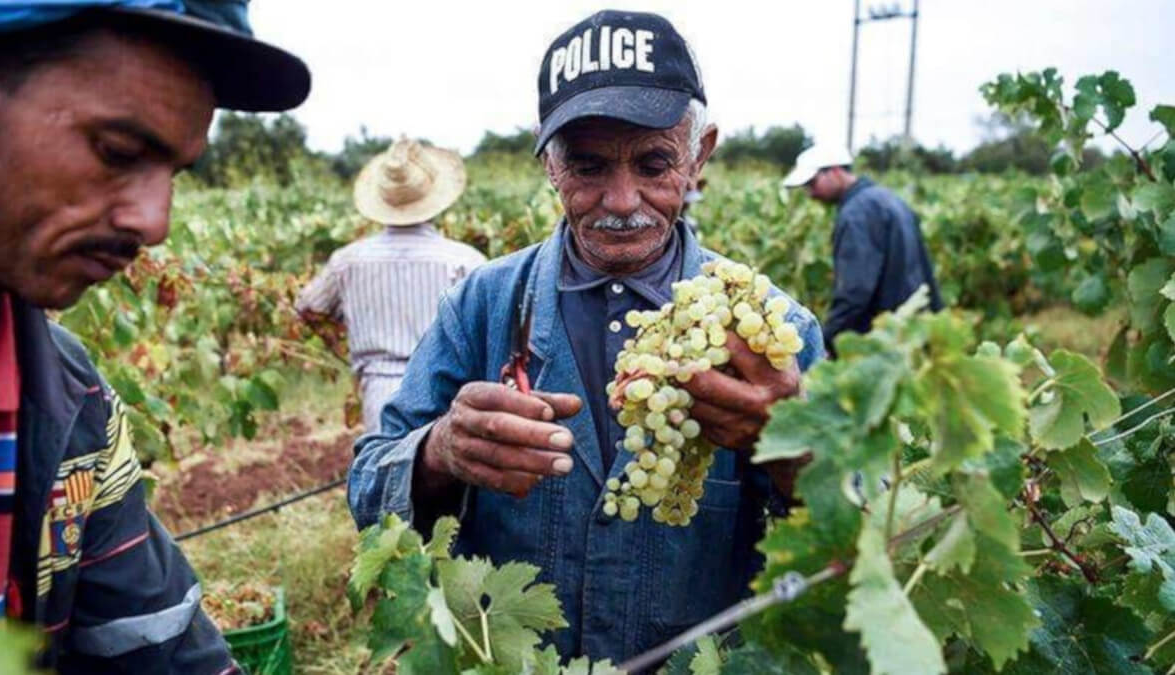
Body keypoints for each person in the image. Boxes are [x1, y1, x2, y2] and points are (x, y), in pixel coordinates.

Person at [349, 10, 824, 665]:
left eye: (654, 163)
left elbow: (853, 535)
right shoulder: (483, 306)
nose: (622, 199)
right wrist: (437, 454)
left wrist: (796, 451)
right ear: (548, 163)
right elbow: (368, 488)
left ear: (699, 154)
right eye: (588, 166)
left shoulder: (776, 333)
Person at [0, 1, 310, 671]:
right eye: (118, 151)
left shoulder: (74, 405)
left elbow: (152, 643)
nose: (155, 221)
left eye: (175, 173)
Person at [296, 138, 486, 432]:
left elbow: (308, 307)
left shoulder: (347, 261)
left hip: (379, 389)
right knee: (447, 472)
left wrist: (339, 335)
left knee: (383, 473)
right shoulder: (465, 261)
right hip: (448, 390)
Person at [783, 145, 943, 354]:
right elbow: (924, 269)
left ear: (835, 171)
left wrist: (824, 342)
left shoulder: (856, 213)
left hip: (882, 338)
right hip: (910, 329)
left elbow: (855, 292)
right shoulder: (888, 198)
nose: (810, 193)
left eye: (812, 183)